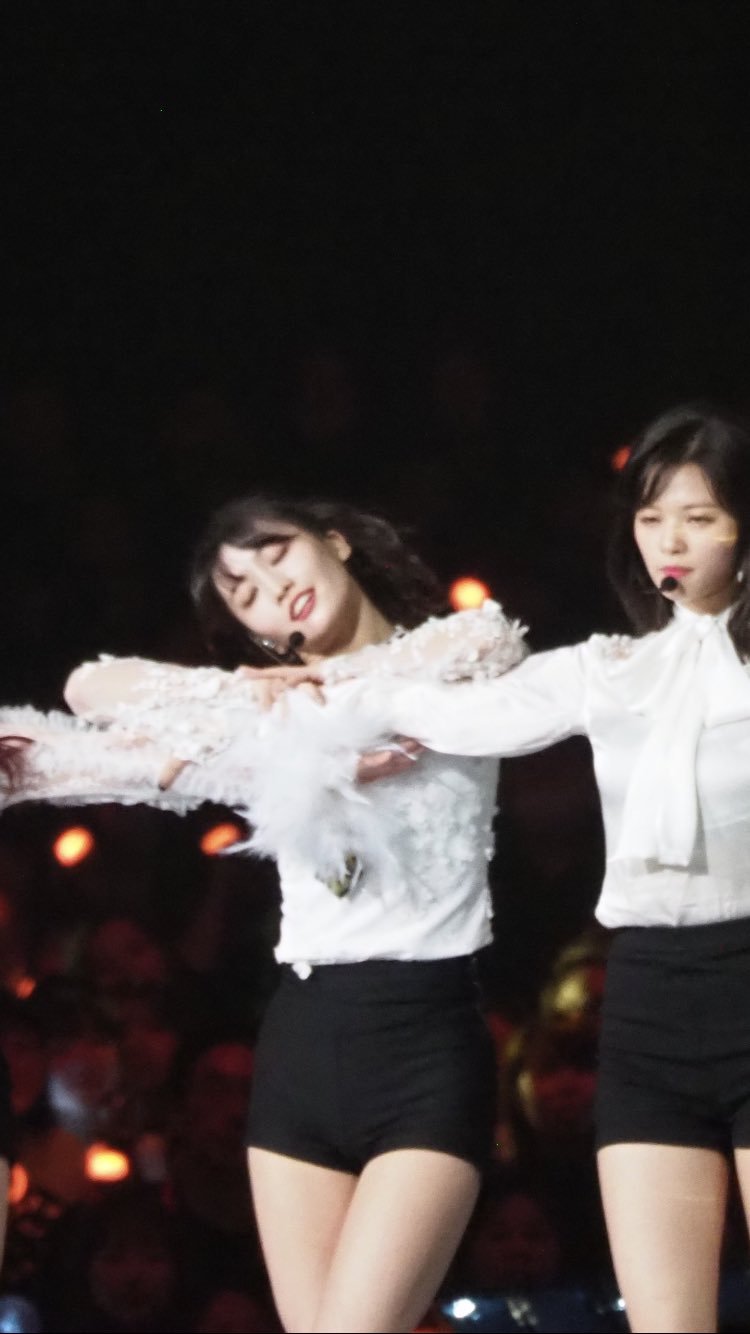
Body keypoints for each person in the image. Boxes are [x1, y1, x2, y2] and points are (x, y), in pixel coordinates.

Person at [1, 498, 527, 1334]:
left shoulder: (453, 658)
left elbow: (491, 639)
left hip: (426, 1052)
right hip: (300, 1056)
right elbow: (87, 690)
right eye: (242, 592)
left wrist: (315, 706)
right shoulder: (267, 726)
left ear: (335, 541)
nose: (270, 588)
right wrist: (253, 699)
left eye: (274, 555)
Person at [279, 404, 750, 1333]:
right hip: (649, 1005)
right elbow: (460, 716)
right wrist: (323, 686)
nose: (670, 542)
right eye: (651, 518)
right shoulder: (612, 668)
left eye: (699, 517)